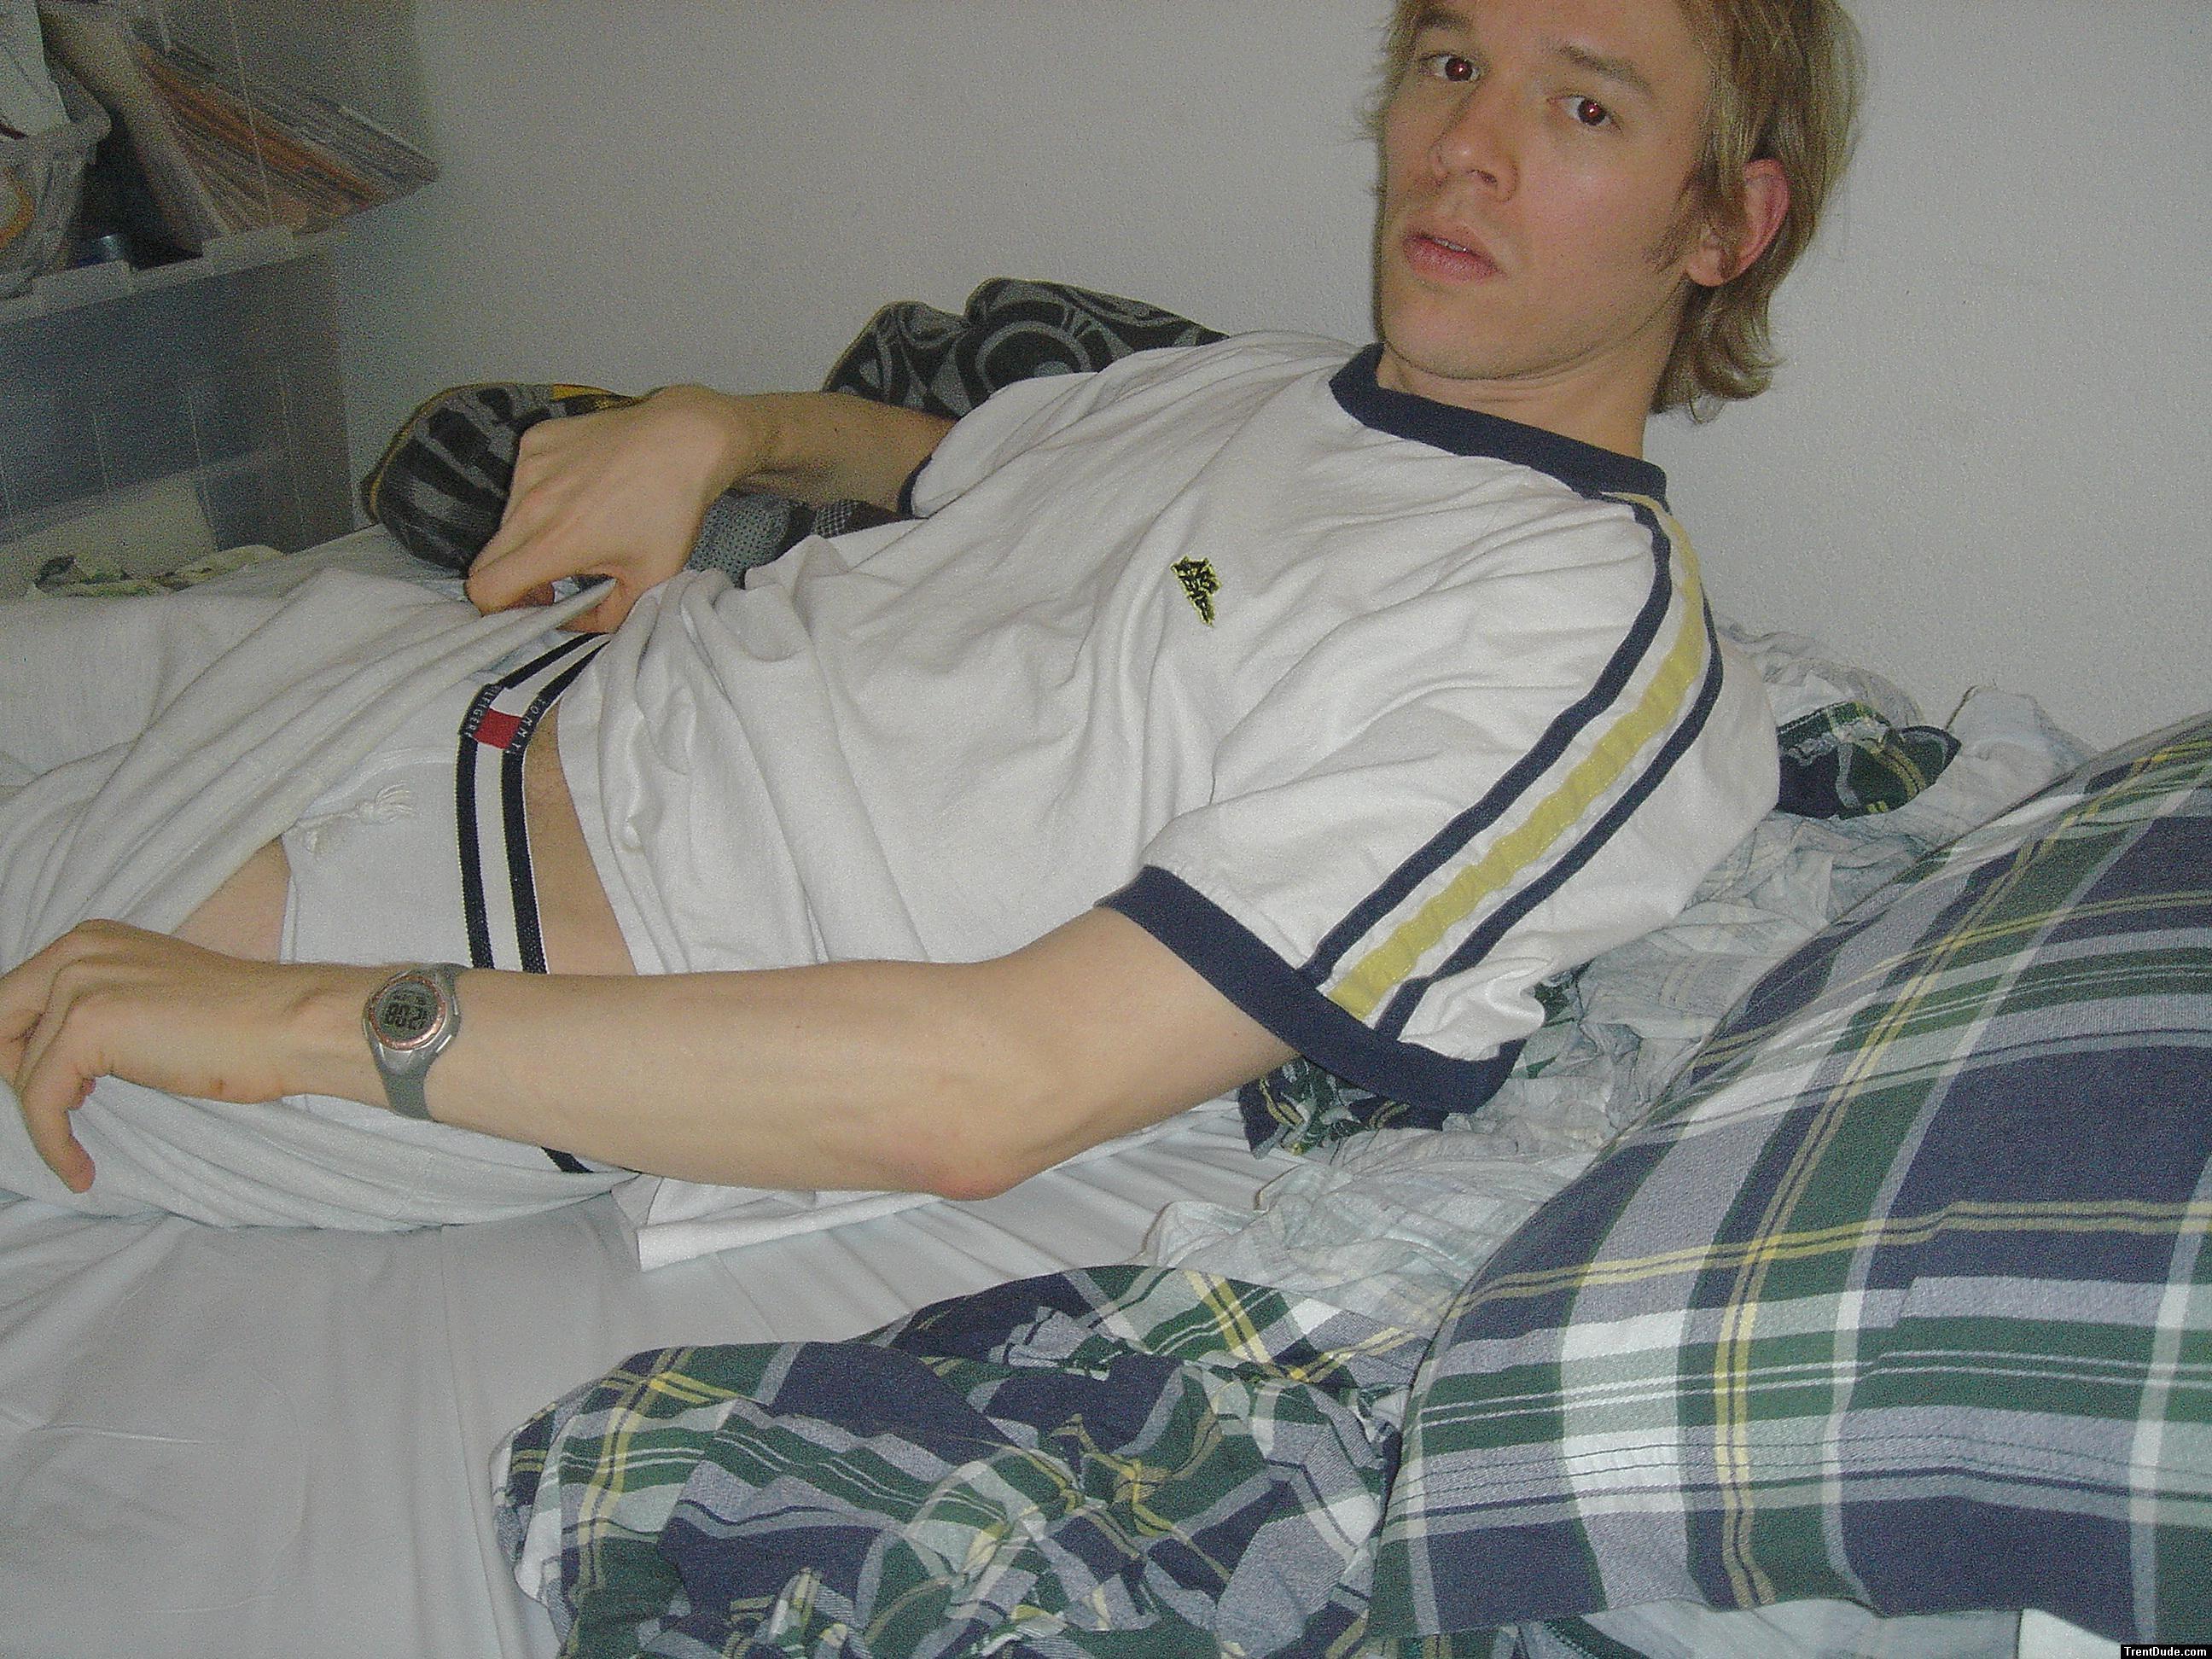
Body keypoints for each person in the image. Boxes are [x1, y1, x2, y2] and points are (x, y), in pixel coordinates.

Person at [0, 0, 1861, 1225]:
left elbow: (998, 1089)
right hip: (431, 674)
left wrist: (317, 1022)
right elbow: (940, 464)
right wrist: (722, 429)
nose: (1467, 147)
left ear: (1727, 223)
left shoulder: (1575, 632)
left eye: (1584, 105)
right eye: (1451, 64)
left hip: (455, 928)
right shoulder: (1259, 386)